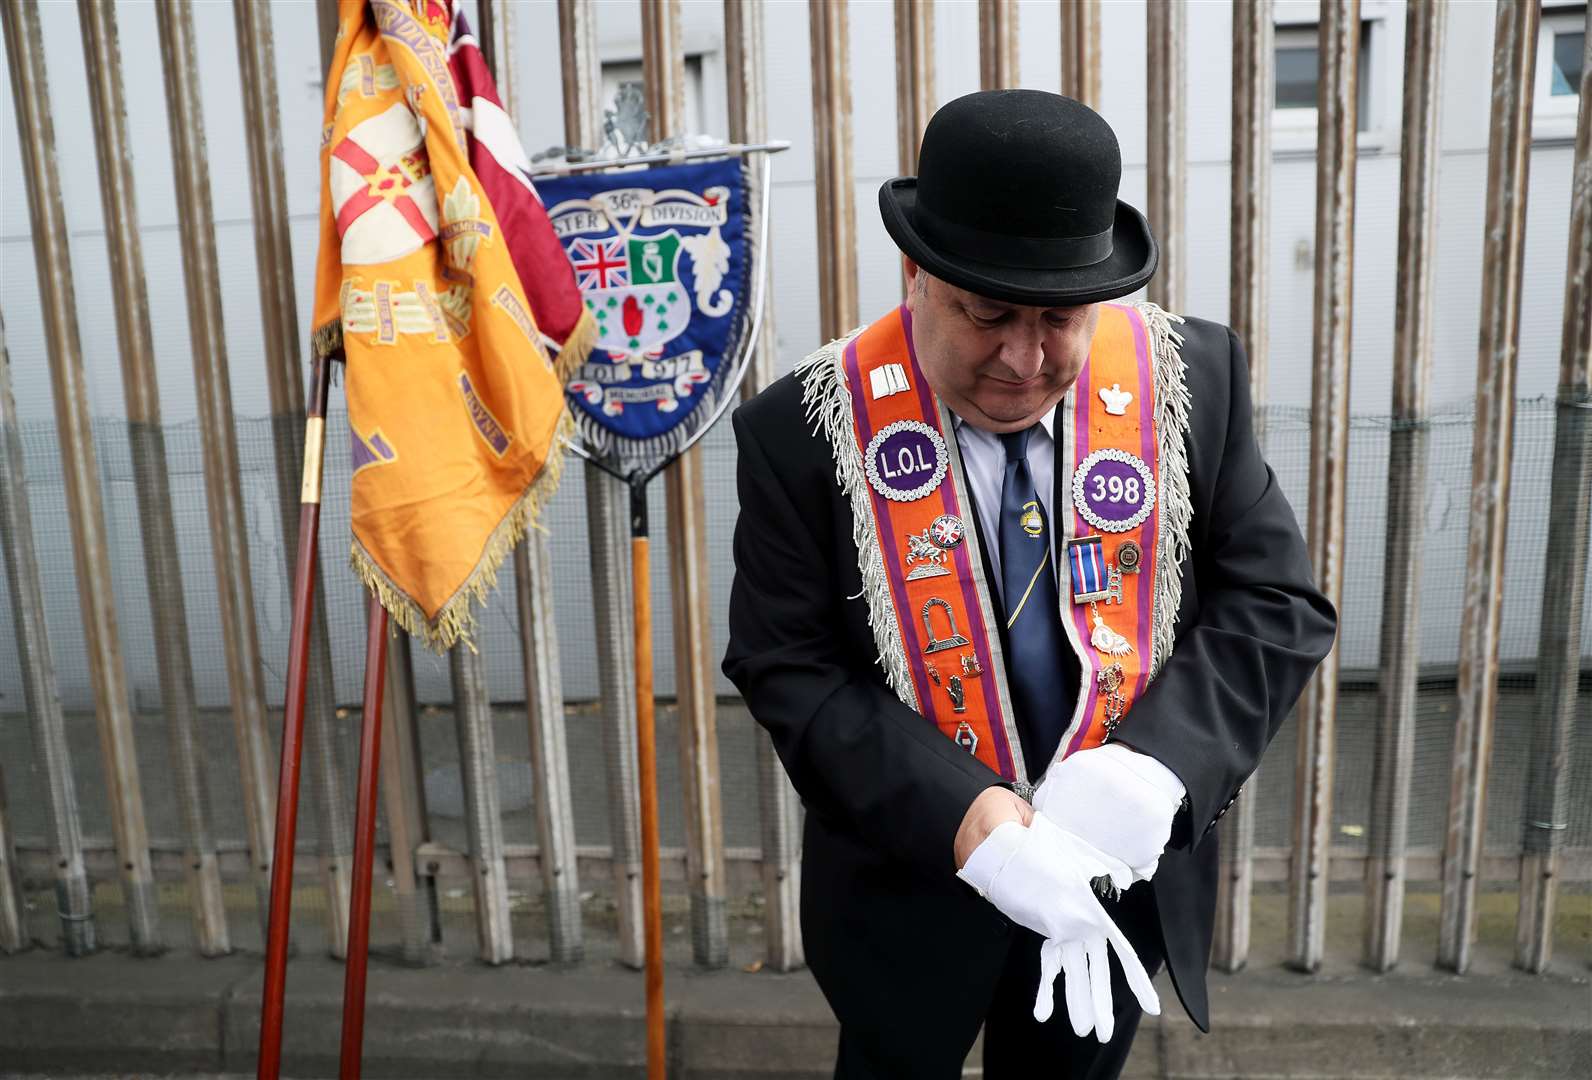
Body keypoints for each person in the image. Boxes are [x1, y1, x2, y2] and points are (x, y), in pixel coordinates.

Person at [722, 89, 1336, 1079]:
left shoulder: (1190, 383)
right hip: (910, 877)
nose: (1022, 359)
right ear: (915, 273)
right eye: (987, 313)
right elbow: (785, 664)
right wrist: (971, 822)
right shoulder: (803, 429)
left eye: (1059, 318)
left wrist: (1156, 766)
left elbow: (1274, 604)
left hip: (1112, 877)